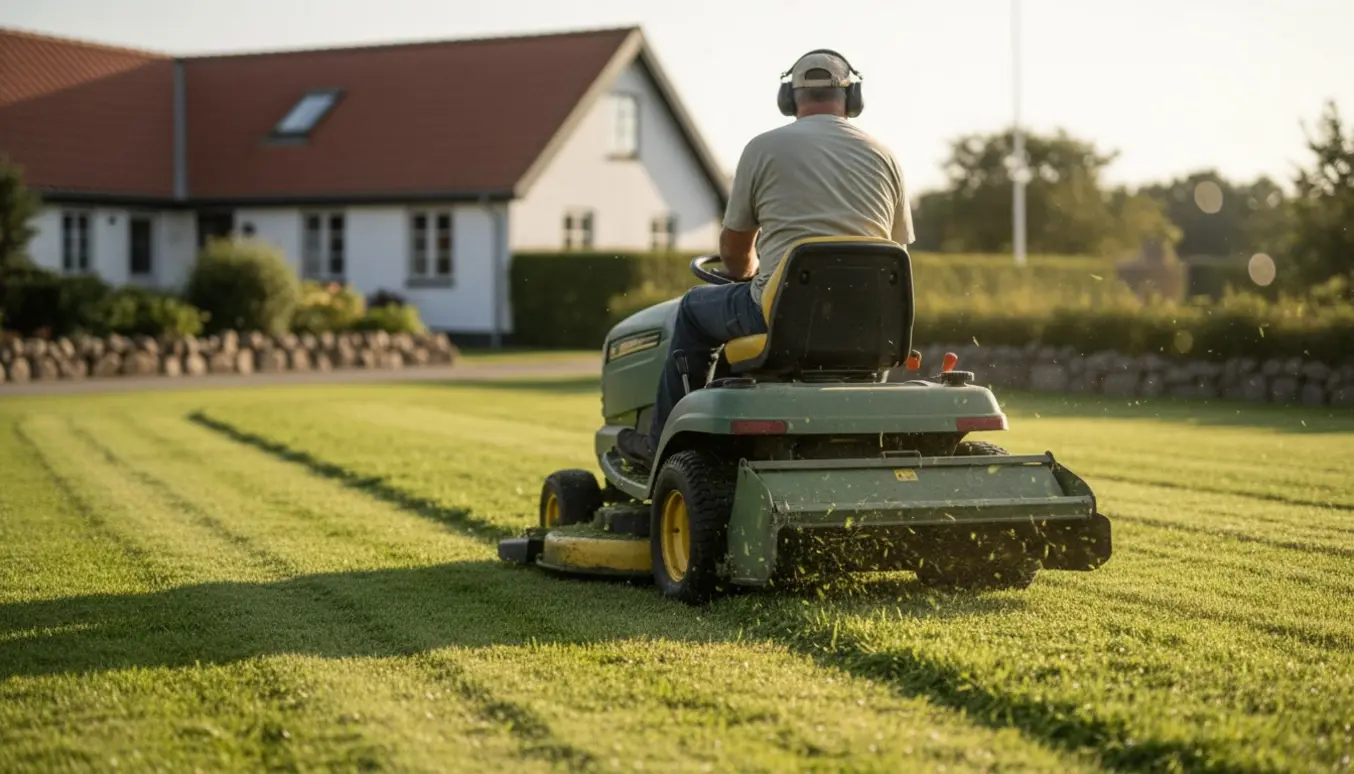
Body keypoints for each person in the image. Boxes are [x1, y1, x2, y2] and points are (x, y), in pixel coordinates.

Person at [615, 48, 915, 470]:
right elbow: (894, 250)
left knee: (692, 311)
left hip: (781, 315)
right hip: (869, 324)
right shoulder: (886, 156)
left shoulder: (764, 148)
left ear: (789, 98)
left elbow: (735, 250)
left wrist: (748, 275)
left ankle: (663, 439)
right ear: (852, 97)